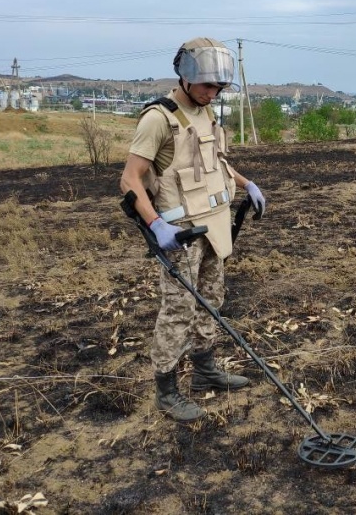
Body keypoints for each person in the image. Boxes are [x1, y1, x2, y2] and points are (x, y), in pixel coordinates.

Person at [120, 37, 266, 422]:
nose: (213, 93)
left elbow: (215, 162)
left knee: (212, 299)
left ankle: (205, 372)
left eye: (218, 87)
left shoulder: (206, 113)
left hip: (213, 226)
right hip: (180, 233)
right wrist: (156, 224)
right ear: (185, 77)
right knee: (178, 309)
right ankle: (166, 391)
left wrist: (245, 184)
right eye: (207, 85)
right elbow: (130, 179)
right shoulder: (158, 119)